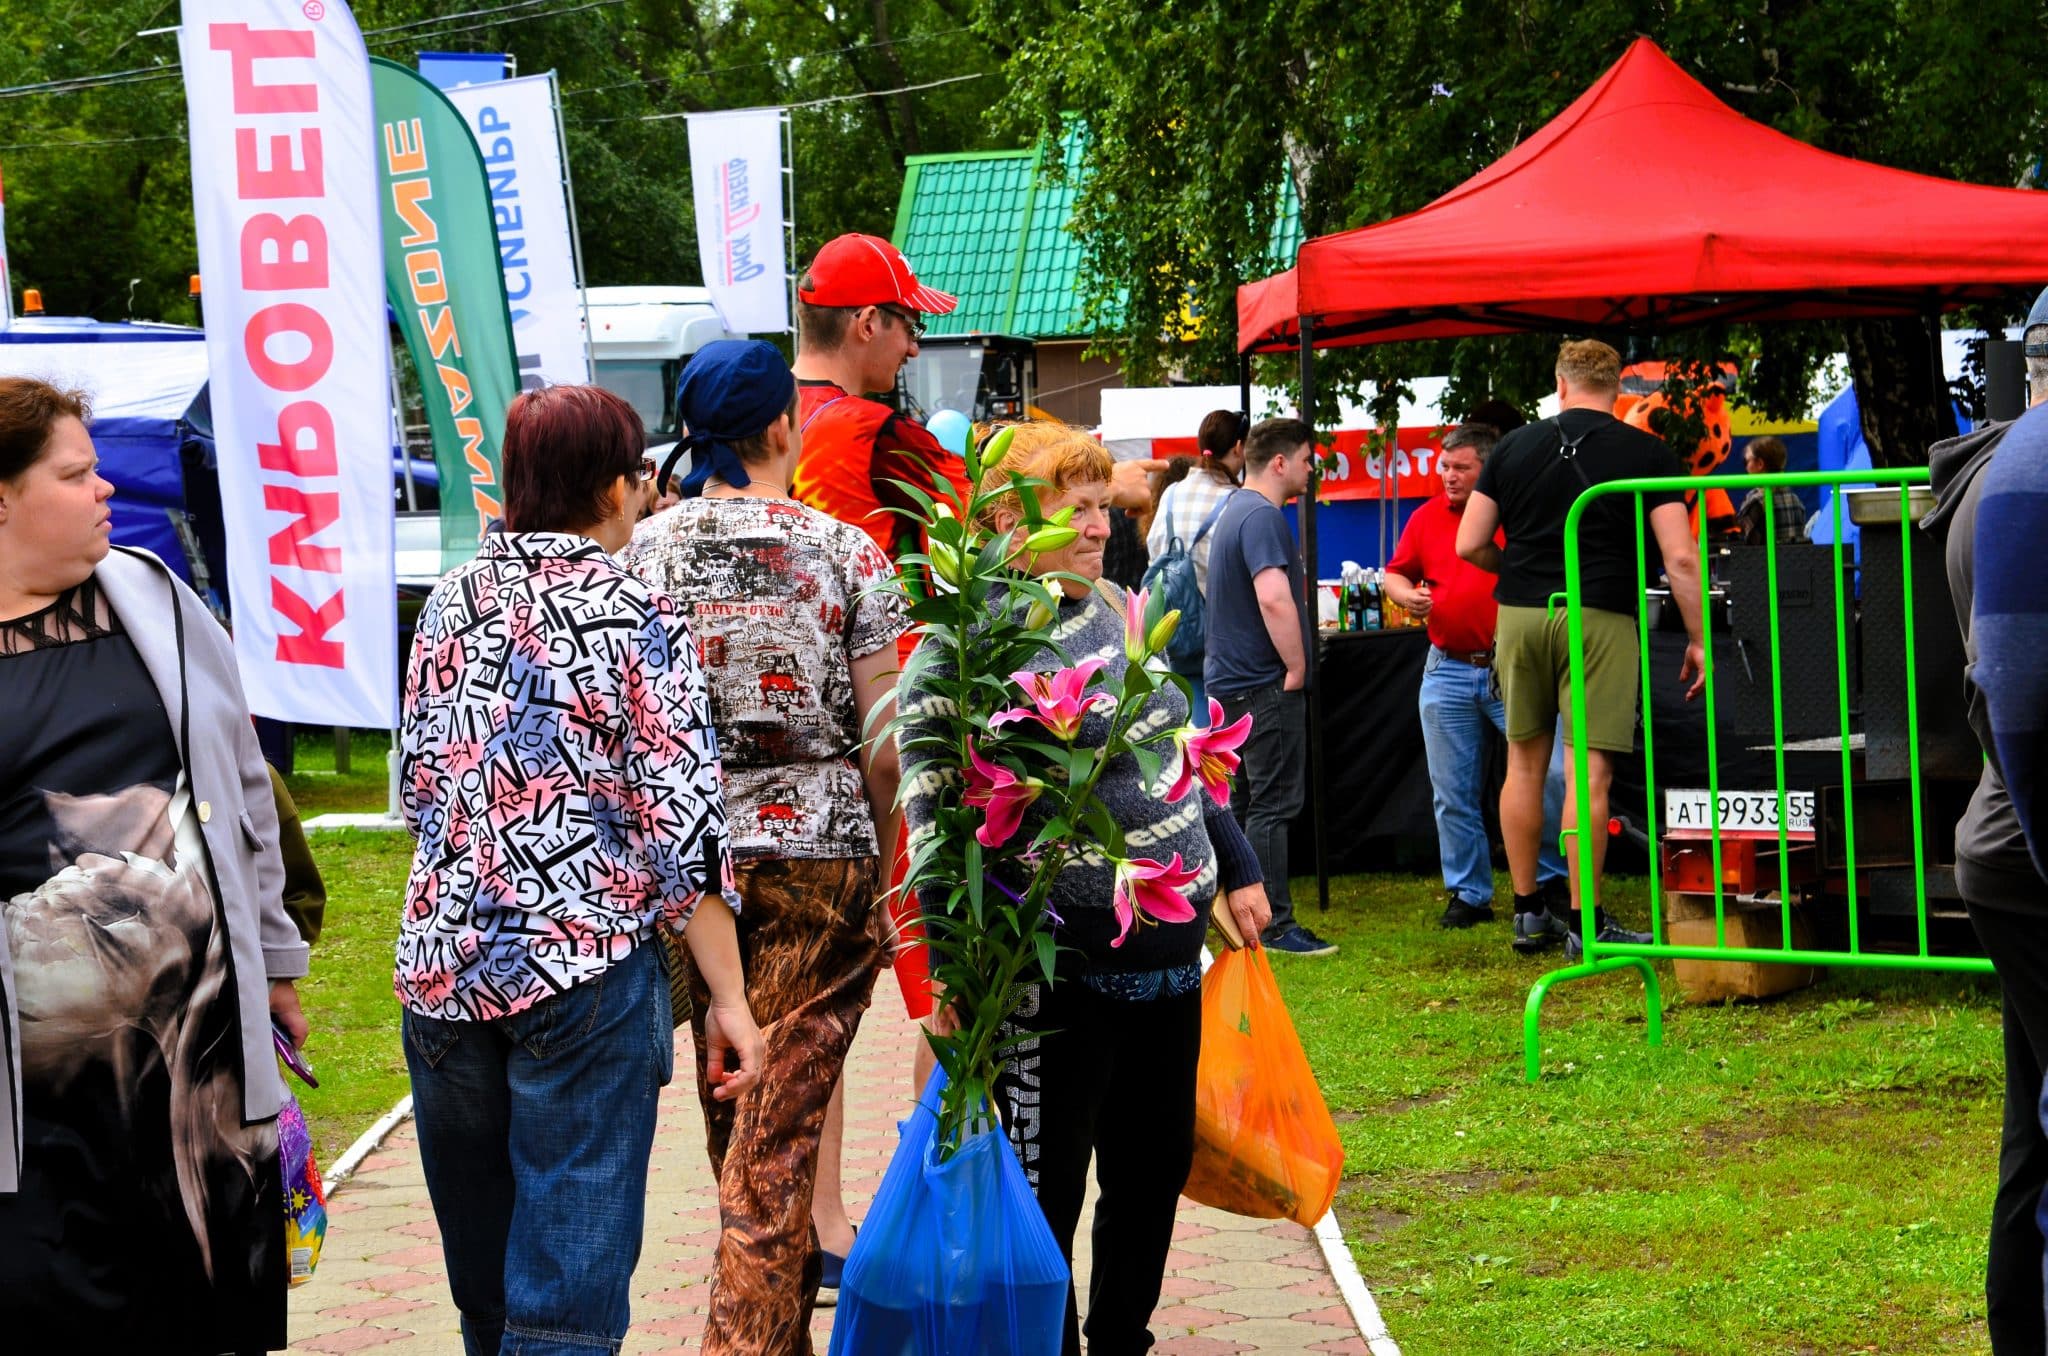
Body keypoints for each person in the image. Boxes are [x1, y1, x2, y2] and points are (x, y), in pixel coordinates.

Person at [397, 383, 763, 1356]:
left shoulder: (447, 602)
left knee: (486, 1294)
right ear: (613, 486)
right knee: (564, 1306)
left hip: (441, 975)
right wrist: (728, 997)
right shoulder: (632, 607)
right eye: (639, 473)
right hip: (582, 974)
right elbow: (682, 828)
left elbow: (416, 787)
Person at [897, 420, 1271, 1356]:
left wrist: (1236, 857)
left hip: (1169, 968)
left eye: (1105, 505)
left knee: (1151, 1178)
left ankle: (1121, 1342)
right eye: (1077, 507)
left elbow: (1179, 750)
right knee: (1045, 1194)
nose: (1102, 525)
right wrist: (947, 971)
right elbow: (933, 817)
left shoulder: (1112, 602)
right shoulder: (965, 646)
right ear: (1011, 521)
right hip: (1050, 980)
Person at [0, 377, 310, 1349]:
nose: (104, 491)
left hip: (200, 1074)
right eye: (76, 473)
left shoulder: (152, 597)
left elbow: (242, 791)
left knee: (213, 1317)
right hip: (38, 1103)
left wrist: (278, 960)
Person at [622, 340, 906, 1346]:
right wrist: (890, 867)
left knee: (745, 1143)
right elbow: (884, 745)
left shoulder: (639, 556)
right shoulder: (846, 554)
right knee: (768, 1152)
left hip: (691, 873)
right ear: (782, 425)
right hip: (821, 864)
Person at [1456, 339, 1706, 956]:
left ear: (1560, 385)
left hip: (1518, 616)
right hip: (1599, 614)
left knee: (1522, 765)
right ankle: (1585, 923)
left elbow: (1469, 543)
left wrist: (1518, 568)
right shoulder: (1646, 451)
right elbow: (1679, 556)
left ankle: (1525, 913)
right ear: (1618, 389)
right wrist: (1699, 638)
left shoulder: (1511, 446)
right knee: (1588, 774)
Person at [1926, 307, 2048, 1355]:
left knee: (2032, 1132)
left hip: (2010, 837)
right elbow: (2014, 684)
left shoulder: (1995, 465)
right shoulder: (2025, 468)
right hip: (2028, 844)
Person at [1382, 422, 1572, 930]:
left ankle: (1548, 881)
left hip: (1513, 666)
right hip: (1447, 666)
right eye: (1444, 466)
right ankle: (1469, 892)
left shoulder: (1515, 513)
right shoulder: (1425, 517)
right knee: (1451, 791)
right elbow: (1395, 571)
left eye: (1460, 467)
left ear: (1488, 469)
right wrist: (1404, 595)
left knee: (1548, 778)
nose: (1447, 475)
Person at [1204, 416, 1338, 957]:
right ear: (1280, 462)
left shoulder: (1234, 508)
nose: (1312, 469)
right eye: (1307, 459)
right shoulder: (1261, 515)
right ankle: (1275, 923)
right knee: (1273, 804)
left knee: (1241, 801)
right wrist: (1298, 667)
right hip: (1262, 681)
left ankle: (1236, 914)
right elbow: (1274, 598)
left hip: (1229, 681)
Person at [1145, 409, 1248, 722]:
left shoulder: (1172, 493)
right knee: (1222, 729)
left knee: (1188, 716)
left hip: (1171, 622)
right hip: (1220, 635)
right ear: (1239, 447)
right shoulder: (1236, 501)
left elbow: (1154, 548)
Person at [1735, 435, 1809, 545]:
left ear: (1760, 464)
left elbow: (1744, 543)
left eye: (1746, 461)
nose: (1746, 467)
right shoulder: (1796, 500)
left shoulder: (1756, 502)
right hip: (1793, 560)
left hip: (1763, 561)